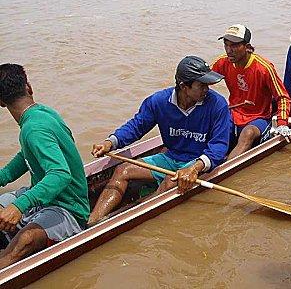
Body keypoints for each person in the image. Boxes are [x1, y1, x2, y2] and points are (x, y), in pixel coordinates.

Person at [88, 56, 231, 224]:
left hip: (198, 161)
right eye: (202, 85)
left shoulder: (218, 104)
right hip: (171, 158)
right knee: (122, 170)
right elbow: (137, 126)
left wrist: (194, 168)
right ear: (184, 86)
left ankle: (132, 219)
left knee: (169, 183)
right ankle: (92, 223)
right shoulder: (158, 101)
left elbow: (219, 146)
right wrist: (110, 143)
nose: (207, 89)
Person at [0, 64, 90, 269]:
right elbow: (22, 160)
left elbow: (60, 174)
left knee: (25, 240)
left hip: (68, 207)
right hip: (42, 199)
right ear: (29, 87)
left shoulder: (34, 128)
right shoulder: (41, 114)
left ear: (1, 102)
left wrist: (19, 206)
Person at [212, 24, 291, 161]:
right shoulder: (222, 62)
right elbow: (204, 82)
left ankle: (223, 169)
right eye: (226, 45)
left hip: (258, 117)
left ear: (247, 47)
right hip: (234, 113)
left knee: (248, 133)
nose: (229, 50)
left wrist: (282, 124)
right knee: (213, 126)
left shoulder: (263, 68)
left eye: (234, 46)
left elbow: (282, 97)